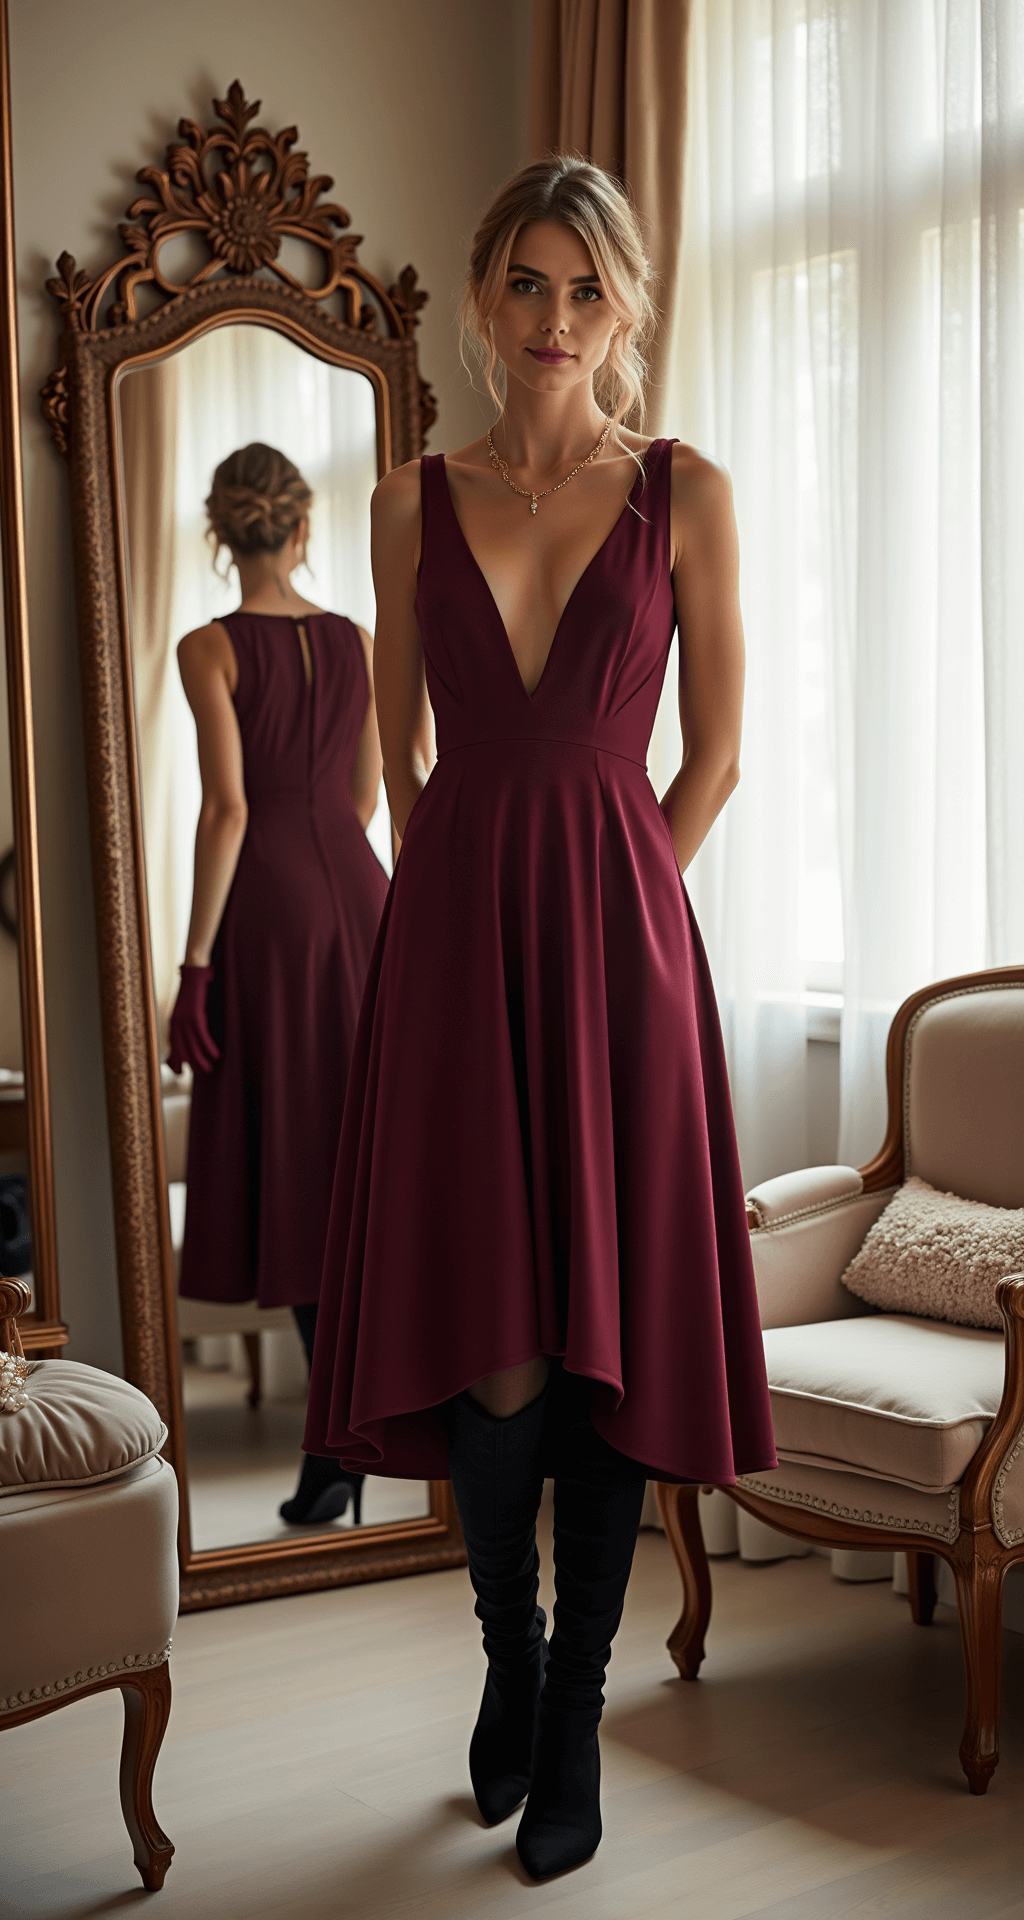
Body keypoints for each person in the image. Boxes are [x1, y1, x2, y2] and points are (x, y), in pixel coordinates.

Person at [304, 158, 776, 1877]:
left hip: (621, 954)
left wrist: (619, 893)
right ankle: (509, 1650)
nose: (555, 318)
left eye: (586, 288)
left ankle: (572, 1709)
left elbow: (714, 754)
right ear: (482, 294)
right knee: (496, 1349)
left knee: (601, 1343)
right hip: (452, 956)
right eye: (527, 282)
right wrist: (463, 904)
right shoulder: (404, 502)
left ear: (626, 305)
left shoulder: (684, 491)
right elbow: (401, 757)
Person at [168, 442, 388, 1528]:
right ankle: (356, 1437)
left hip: (271, 912)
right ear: (301, 529)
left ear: (222, 534)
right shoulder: (356, 640)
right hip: (362, 893)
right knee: (360, 1173)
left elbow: (228, 810)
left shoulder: (208, 647)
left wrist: (193, 966)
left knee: (301, 1180)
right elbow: (368, 792)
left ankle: (335, 1448)